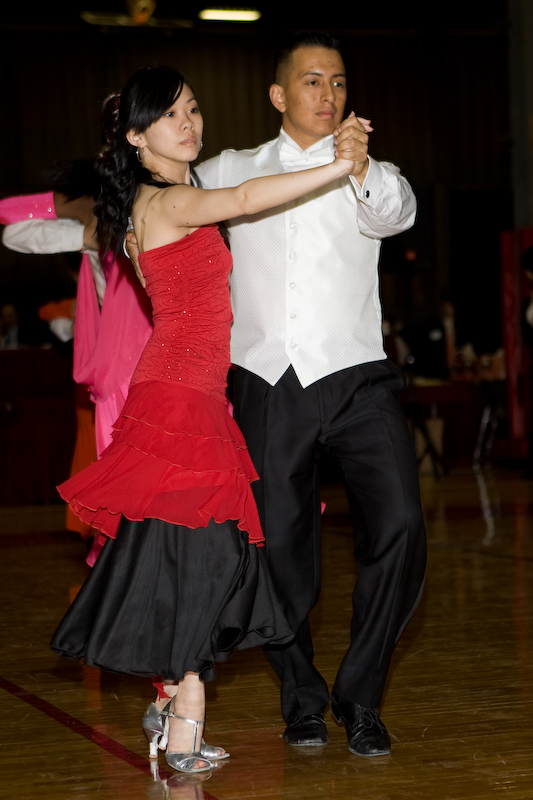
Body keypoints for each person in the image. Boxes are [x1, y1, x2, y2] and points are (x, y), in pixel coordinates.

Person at [49, 64, 357, 774]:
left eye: (192, 109)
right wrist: (337, 167)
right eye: (170, 116)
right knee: (207, 558)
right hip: (179, 401)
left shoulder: (160, 197)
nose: (189, 124)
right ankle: (183, 713)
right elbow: (246, 197)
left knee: (189, 558)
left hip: (194, 396)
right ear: (136, 137)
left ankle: (170, 701)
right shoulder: (166, 202)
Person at [189, 30, 428, 757]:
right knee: (278, 551)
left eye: (339, 82)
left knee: (401, 525)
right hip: (267, 381)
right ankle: (300, 697)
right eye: (313, 81)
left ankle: (361, 696)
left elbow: (396, 215)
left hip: (357, 376)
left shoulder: (372, 170)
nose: (329, 94)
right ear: (278, 94)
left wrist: (360, 168)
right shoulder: (231, 169)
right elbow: (165, 189)